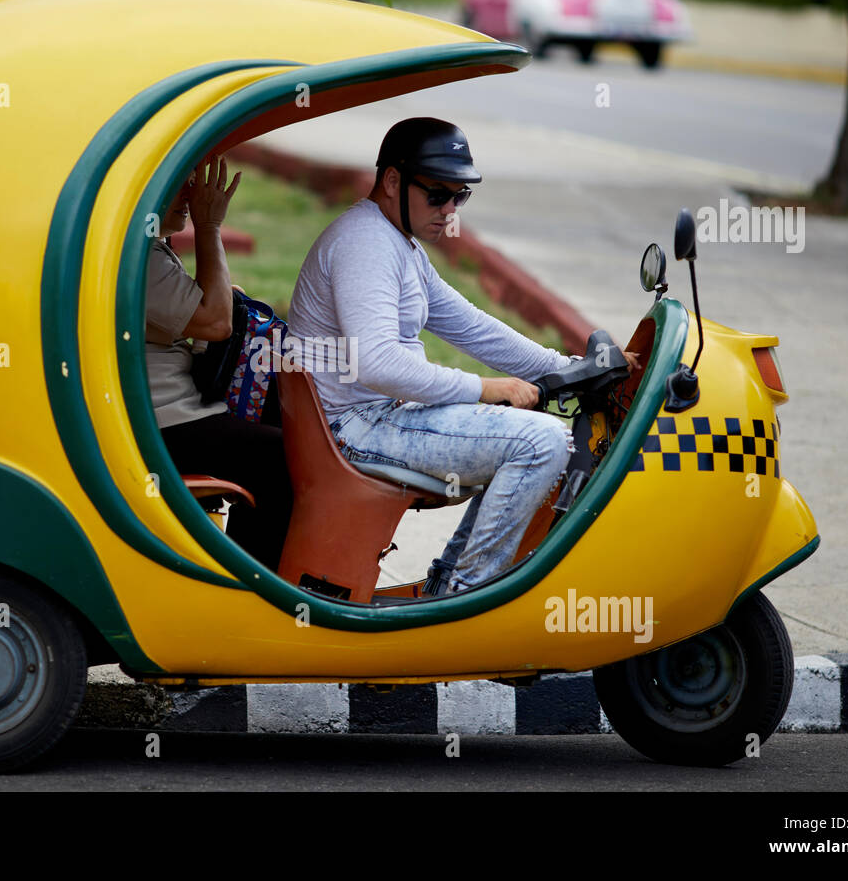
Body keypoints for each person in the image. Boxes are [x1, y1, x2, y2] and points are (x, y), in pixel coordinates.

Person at [289, 118, 639, 594]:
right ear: (392, 181)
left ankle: (445, 590)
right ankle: (468, 597)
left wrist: (571, 368)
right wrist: (485, 388)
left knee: (540, 437)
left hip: (378, 417)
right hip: (356, 425)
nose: (449, 210)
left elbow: (473, 327)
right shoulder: (365, 244)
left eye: (460, 197)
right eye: (438, 194)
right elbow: (377, 363)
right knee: (541, 444)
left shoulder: (398, 244)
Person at [145, 155, 293, 570]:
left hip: (170, 408)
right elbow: (215, 322)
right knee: (281, 458)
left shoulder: (149, 248)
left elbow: (212, 305)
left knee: (278, 423)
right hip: (163, 422)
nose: (192, 194)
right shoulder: (139, 258)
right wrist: (209, 227)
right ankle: (255, 584)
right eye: (180, 182)